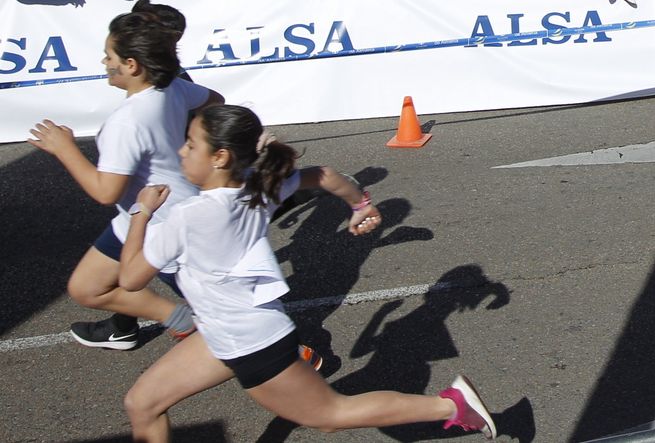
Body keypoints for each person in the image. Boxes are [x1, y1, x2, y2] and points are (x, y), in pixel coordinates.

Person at [116, 104, 498, 440]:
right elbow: (324, 175)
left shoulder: (188, 216)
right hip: (224, 333)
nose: (181, 152)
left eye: (190, 145)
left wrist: (141, 211)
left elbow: (131, 279)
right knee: (142, 403)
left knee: (330, 415)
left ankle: (452, 407)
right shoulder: (257, 189)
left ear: (219, 157)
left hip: (250, 343)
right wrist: (360, 204)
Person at [27, 1, 220, 351]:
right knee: (87, 288)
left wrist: (64, 148)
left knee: (233, 320)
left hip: (171, 227)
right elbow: (215, 101)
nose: (105, 63)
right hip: (138, 218)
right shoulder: (170, 88)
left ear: (131, 65)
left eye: (109, 56)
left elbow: (105, 191)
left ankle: (295, 361)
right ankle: (181, 321)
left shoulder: (126, 122)